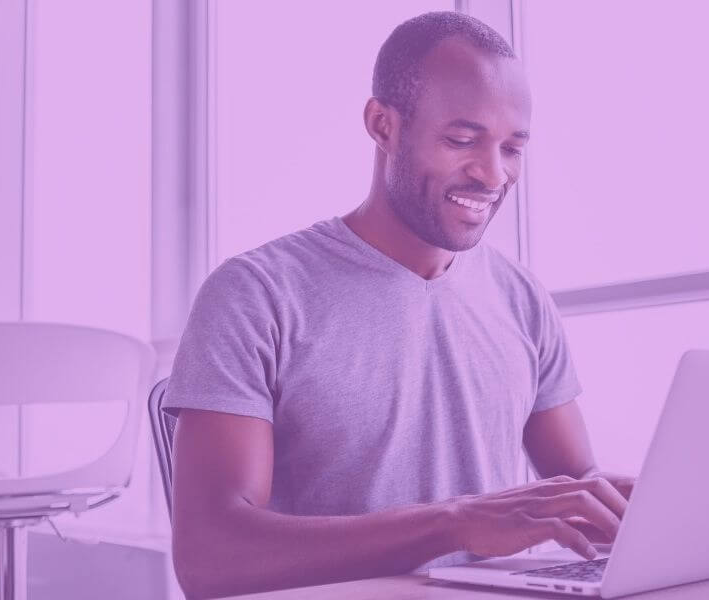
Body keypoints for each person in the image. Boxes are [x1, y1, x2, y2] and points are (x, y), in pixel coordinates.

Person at [164, 11, 634, 599]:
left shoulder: (520, 296)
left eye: (512, 148)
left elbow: (572, 482)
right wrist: (453, 523)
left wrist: (642, 507)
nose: (492, 173)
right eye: (461, 140)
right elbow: (210, 558)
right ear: (383, 125)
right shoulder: (256, 295)